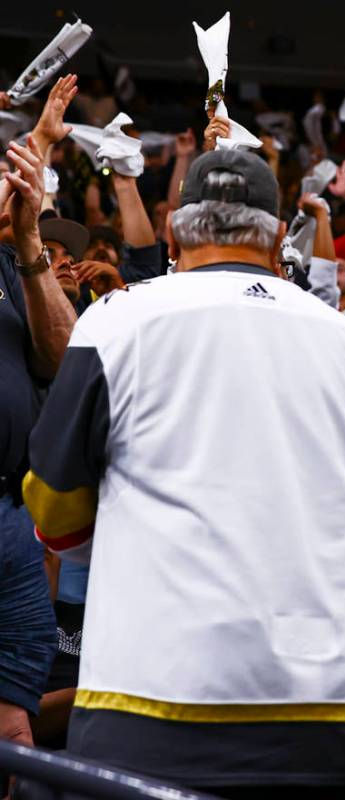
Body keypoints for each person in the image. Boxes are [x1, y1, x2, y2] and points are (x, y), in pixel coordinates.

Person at [22, 149, 345, 798]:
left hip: (160, 703)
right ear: (278, 232)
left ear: (173, 228)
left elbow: (56, 512)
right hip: (344, 709)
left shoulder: (116, 320)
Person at [0, 134, 70, 754]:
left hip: (10, 515)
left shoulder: (11, 261)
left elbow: (62, 357)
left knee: (16, 721)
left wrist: (28, 247)